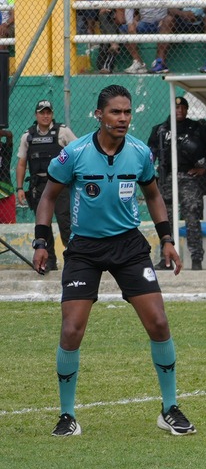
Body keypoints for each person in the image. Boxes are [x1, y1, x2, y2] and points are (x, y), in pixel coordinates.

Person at [36, 84, 190, 439]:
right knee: (72, 329)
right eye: (115, 112)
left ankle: (170, 409)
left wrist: (166, 238)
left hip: (129, 247)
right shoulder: (73, 153)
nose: (123, 118)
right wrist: (41, 240)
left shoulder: (140, 153)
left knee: (159, 323)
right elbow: (47, 197)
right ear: (99, 115)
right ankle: (67, 415)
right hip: (85, 249)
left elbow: (153, 194)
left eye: (127, 112)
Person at [146, 96, 206, 271]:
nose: (180, 110)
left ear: (187, 110)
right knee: (165, 219)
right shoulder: (160, 130)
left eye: (183, 107)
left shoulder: (196, 129)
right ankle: (165, 259)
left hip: (187, 177)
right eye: (177, 108)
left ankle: (196, 259)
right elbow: (150, 154)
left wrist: (204, 169)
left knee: (192, 215)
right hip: (166, 178)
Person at [17, 99, 76, 245]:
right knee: (43, 224)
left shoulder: (63, 132)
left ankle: (73, 256)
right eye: (42, 113)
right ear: (36, 115)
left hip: (60, 184)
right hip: (38, 186)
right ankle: (48, 261)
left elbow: (77, 153)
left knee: (65, 221)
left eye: (48, 112)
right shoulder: (28, 136)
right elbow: (22, 163)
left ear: (52, 114)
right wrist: (19, 188)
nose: (45, 116)